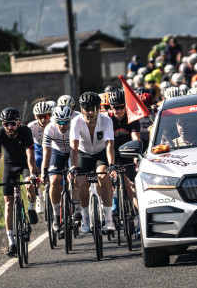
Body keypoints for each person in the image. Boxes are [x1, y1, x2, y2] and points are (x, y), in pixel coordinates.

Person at [0, 107, 39, 257]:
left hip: (24, 164)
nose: (9, 127)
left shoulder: (25, 131)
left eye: (12, 123)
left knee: (29, 183)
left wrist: (32, 174)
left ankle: (31, 207)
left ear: (18, 122)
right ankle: (11, 242)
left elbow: (30, 155)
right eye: (5, 124)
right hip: (9, 166)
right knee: (8, 202)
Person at [69, 92, 116, 233]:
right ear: (81, 109)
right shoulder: (76, 122)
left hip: (100, 153)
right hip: (84, 154)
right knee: (82, 183)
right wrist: (73, 167)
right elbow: (74, 148)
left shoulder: (107, 120)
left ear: (98, 109)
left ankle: (108, 220)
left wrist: (111, 164)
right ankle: (86, 218)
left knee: (104, 176)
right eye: (86, 109)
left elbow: (109, 145)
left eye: (93, 109)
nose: (90, 112)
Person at [107, 89, 141, 212]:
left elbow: (136, 138)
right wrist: (111, 164)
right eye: (115, 107)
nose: (119, 110)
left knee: (133, 184)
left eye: (121, 107)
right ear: (111, 107)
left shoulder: (132, 118)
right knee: (113, 180)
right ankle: (114, 201)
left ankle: (137, 214)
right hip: (113, 153)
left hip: (128, 152)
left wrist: (136, 156)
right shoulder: (107, 120)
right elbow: (109, 145)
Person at [41, 104, 73, 233]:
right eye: (59, 122)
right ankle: (56, 215)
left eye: (65, 122)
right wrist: (44, 171)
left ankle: (76, 210)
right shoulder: (49, 128)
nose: (62, 125)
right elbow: (46, 152)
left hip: (72, 151)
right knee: (54, 180)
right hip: (57, 153)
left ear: (69, 120)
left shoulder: (75, 126)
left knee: (75, 178)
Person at [28, 101, 51, 214]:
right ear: (35, 117)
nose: (43, 120)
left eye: (46, 116)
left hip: (51, 152)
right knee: (34, 165)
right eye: (40, 117)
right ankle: (39, 196)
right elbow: (27, 148)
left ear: (50, 115)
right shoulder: (31, 127)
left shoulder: (54, 124)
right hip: (38, 153)